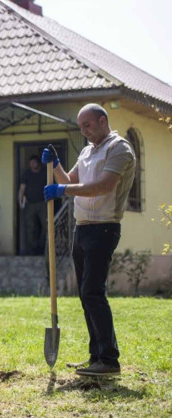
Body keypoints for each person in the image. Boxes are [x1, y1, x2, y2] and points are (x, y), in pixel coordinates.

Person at [43, 103, 135, 376]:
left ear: (102, 120)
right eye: (80, 127)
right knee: (87, 295)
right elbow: (70, 179)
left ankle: (109, 361)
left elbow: (105, 186)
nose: (84, 131)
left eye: (88, 125)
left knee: (93, 292)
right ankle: (96, 355)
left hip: (104, 228)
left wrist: (63, 189)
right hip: (81, 228)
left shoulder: (119, 148)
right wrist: (56, 165)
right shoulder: (87, 151)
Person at [18, 155, 47, 255]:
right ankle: (33, 249)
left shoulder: (44, 173)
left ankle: (42, 246)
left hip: (43, 203)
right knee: (30, 227)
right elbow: (22, 189)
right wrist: (20, 202)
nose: (31, 165)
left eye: (33, 163)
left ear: (38, 163)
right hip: (30, 204)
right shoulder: (26, 174)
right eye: (30, 163)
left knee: (46, 225)